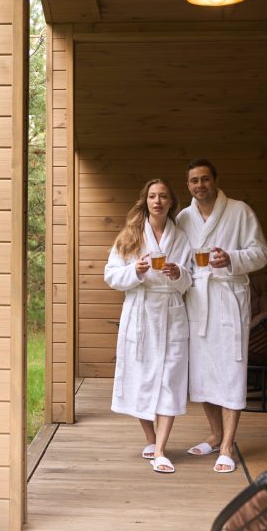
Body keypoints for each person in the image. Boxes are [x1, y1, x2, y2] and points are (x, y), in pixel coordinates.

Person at [177, 159, 267, 473]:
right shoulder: (184, 218)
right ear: (188, 185)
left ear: (215, 180)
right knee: (202, 372)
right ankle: (215, 435)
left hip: (228, 299)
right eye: (193, 181)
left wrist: (231, 258)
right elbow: (179, 261)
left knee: (231, 370)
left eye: (204, 179)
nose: (199, 185)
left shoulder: (240, 211)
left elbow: (261, 253)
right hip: (198, 301)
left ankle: (228, 446)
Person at [105, 178, 192, 474]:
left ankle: (160, 450)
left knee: (170, 378)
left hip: (170, 312)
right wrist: (135, 270)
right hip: (140, 312)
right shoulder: (129, 236)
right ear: (146, 200)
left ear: (171, 202)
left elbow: (188, 280)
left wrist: (178, 272)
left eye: (163, 196)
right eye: (153, 196)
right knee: (140, 377)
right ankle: (151, 439)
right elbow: (111, 276)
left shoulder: (180, 237)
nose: (158, 201)